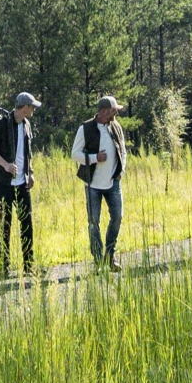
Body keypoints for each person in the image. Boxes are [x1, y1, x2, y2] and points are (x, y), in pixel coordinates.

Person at [0, 91, 39, 276]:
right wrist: (6, 165)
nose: (33, 110)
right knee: (5, 223)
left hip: (22, 181)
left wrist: (30, 172)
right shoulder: (0, 125)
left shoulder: (26, 124)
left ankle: (28, 265)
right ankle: (4, 267)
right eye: (32, 107)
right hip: (3, 182)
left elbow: (27, 152)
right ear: (24, 107)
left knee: (27, 223)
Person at [72, 94, 127, 269]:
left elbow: (123, 152)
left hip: (113, 183)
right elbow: (75, 155)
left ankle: (110, 255)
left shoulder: (116, 127)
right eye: (113, 111)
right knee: (94, 222)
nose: (115, 114)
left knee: (117, 217)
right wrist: (95, 158)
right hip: (92, 185)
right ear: (103, 112)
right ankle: (98, 260)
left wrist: (121, 171)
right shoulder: (85, 129)